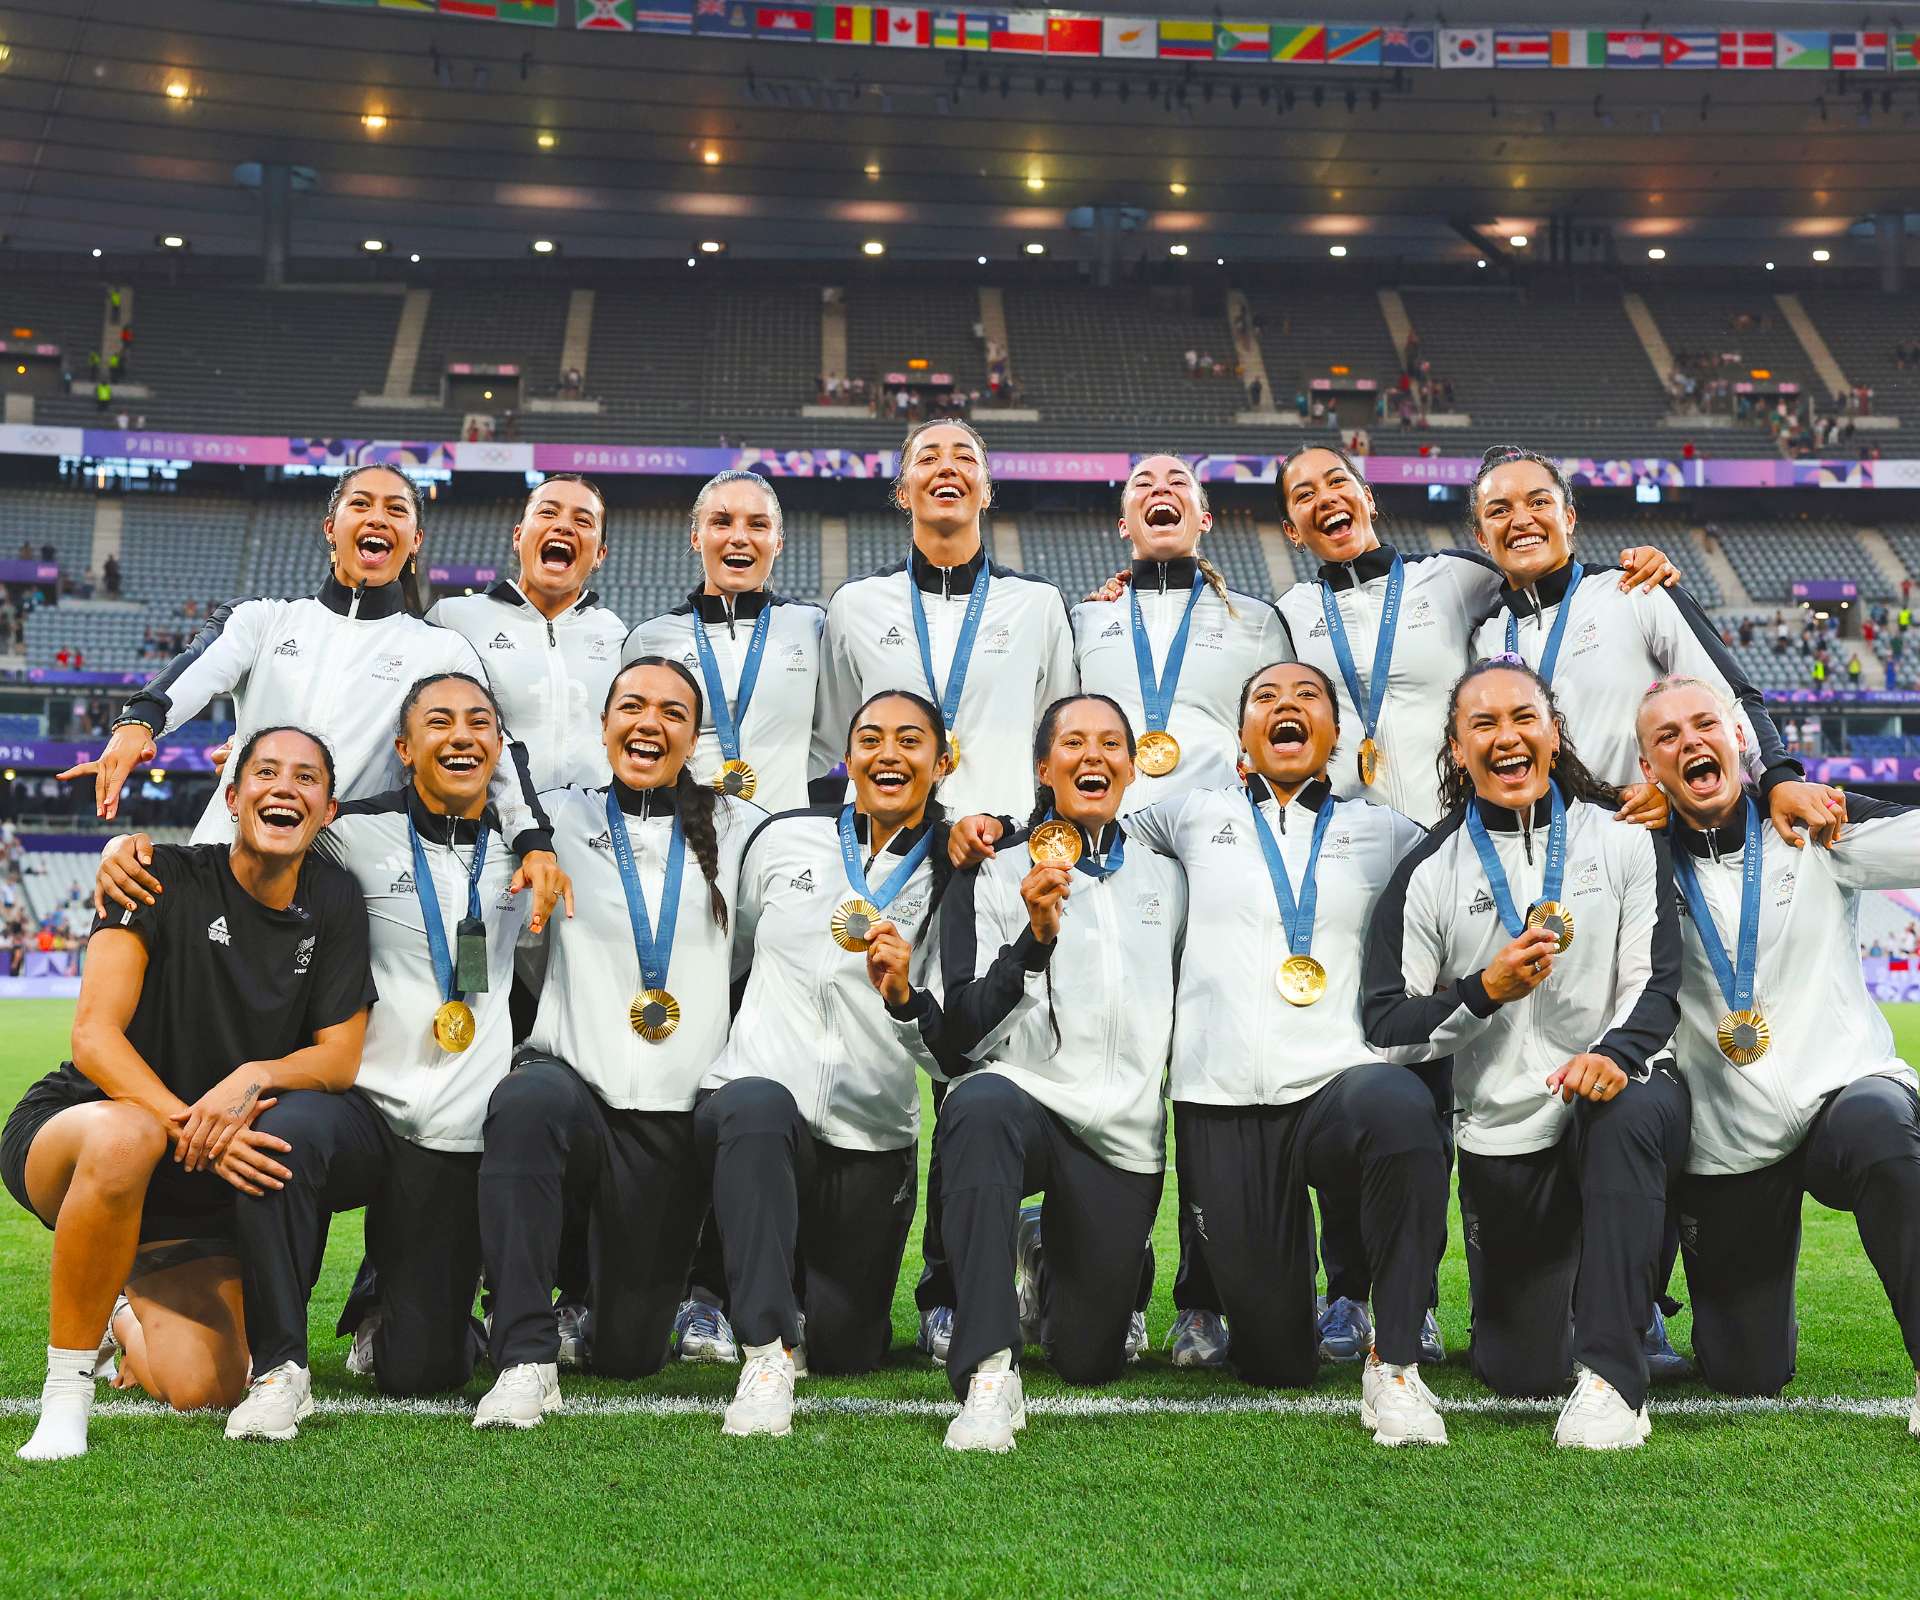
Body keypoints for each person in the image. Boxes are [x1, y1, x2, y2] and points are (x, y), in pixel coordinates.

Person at [1, 727, 373, 1461]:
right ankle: (66, 1396)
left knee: (211, 1385)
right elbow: (95, 1037)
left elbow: (339, 1059)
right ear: (231, 798)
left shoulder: (334, 899)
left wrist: (253, 1076)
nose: (285, 787)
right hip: (91, 1131)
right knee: (127, 1136)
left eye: (306, 778)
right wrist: (192, 1124)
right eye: (266, 772)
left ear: (328, 811)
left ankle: (120, 1312)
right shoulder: (156, 874)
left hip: (197, 1181)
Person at [1119, 660, 1450, 1441]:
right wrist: (989, 831)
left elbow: (1481, 848)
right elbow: (1089, 830)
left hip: (1340, 1082)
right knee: (1275, 1360)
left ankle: (1397, 1357)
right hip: (1222, 1096)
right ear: (1242, 734)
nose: (1285, 706)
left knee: (1403, 1107)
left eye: (1307, 696)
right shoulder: (1190, 814)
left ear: (1335, 732)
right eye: (1265, 697)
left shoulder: (1386, 830)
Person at [1363, 659, 1688, 1450]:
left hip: (1615, 1099)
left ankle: (1614, 1373)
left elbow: (1656, 984)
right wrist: (1485, 991)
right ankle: (1594, 1304)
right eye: (1483, 724)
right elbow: (1387, 1023)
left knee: (1626, 1109)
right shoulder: (1429, 872)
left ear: (1554, 733)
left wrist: (1614, 1054)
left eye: (1523, 718)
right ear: (1456, 748)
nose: (1506, 737)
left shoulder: (1624, 839)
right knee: (1520, 1370)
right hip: (1502, 1131)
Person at [818, 419, 1076, 1360]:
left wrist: (1020, 836)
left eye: (965, 456)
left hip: (1000, 864)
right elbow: (833, 742)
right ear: (902, 492)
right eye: (927, 457)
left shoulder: (1039, 604)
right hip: (898, 860)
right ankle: (873, 1268)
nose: (947, 468)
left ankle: (963, 1279)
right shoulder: (855, 605)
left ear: (986, 491)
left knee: (981, 1069)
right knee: (894, 1048)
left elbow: (1057, 732)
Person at [63, 466, 566, 935]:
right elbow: (194, 669)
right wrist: (137, 723)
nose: (377, 517)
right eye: (361, 504)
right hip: (224, 867)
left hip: (342, 893)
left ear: (416, 540)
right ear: (331, 528)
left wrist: (533, 842)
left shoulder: (441, 650)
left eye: (396, 509)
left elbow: (496, 749)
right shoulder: (263, 621)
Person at [471, 658, 760, 1429]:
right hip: (575, 1094)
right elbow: (472, 785)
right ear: (603, 726)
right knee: (524, 1103)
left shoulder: (740, 828)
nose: (648, 723)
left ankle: (592, 1303)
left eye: (671, 713)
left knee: (628, 1354)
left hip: (674, 1116)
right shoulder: (555, 820)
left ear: (693, 739)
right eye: (631, 706)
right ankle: (524, 1355)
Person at [1635, 678, 1920, 1437]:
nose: (1691, 742)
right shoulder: (1636, 862)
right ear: (1648, 767)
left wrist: (1806, 792)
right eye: (1667, 737)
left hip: (1842, 1096)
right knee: (1745, 1374)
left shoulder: (1814, 828)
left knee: (1883, 1129)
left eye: (1705, 724)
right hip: (1730, 1144)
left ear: (1740, 740)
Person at [698, 690, 958, 1438]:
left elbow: (948, 1050)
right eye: (870, 738)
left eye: (909, 740)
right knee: (756, 1104)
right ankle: (764, 1353)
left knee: (849, 1349)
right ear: (847, 758)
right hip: (758, 1112)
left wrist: (906, 999)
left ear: (942, 763)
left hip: (870, 1134)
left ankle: (797, 1306)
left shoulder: (958, 870)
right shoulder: (784, 838)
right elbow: (732, 952)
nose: (888, 754)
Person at [934, 694, 1186, 1452]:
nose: (1093, 756)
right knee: (976, 1104)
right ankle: (989, 1368)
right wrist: (1033, 943)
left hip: (1124, 1134)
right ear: (1044, 767)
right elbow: (961, 1035)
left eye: (1111, 743)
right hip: (1026, 1101)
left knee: (1087, 1359)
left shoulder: (1169, 877)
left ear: (1132, 767)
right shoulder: (991, 869)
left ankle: (1043, 1249)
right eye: (1073, 743)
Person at [1063, 455, 1288, 816]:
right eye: (1143, 483)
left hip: (1217, 827)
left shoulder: (1256, 620)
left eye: (1179, 481)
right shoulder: (1086, 619)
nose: (1160, 488)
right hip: (1107, 825)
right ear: (1124, 526)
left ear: (1205, 520)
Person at [627, 471, 826, 816]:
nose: (739, 537)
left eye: (758, 525)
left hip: (784, 834)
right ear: (696, 537)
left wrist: (783, 778)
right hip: (686, 837)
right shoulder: (650, 639)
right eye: (721, 522)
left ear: (778, 542)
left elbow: (831, 737)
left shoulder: (813, 627)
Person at [427, 474, 627, 793]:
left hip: (593, 820)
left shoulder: (615, 634)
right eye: (548, 512)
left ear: (600, 555)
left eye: (582, 520)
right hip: (492, 820)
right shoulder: (453, 619)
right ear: (518, 536)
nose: (563, 526)